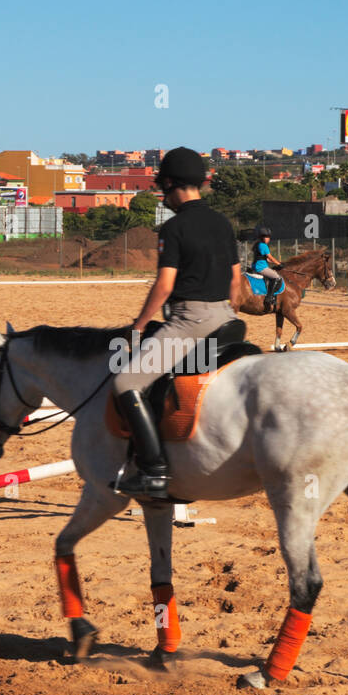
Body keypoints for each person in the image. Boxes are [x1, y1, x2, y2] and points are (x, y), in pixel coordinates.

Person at [109, 147, 239, 499]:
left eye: (163, 188)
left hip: (189, 321)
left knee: (124, 382)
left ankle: (154, 470)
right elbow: (236, 283)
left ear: (170, 183)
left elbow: (164, 286)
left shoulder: (174, 226)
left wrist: (138, 327)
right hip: (227, 318)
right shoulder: (223, 222)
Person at [251, 227, 282, 310]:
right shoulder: (263, 245)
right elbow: (270, 257)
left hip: (256, 266)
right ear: (263, 237)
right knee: (277, 277)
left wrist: (275, 262)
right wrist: (279, 264)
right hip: (261, 268)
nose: (268, 239)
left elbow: (266, 259)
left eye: (268, 237)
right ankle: (269, 297)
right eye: (267, 237)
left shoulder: (258, 244)